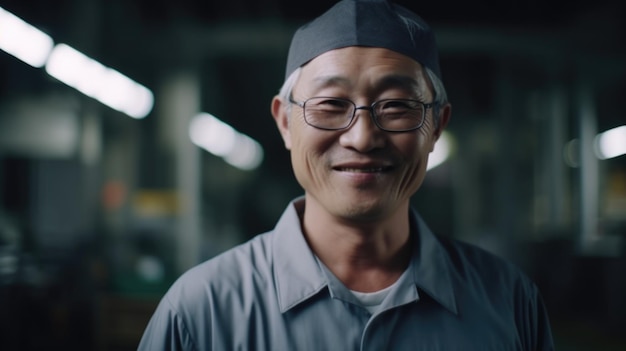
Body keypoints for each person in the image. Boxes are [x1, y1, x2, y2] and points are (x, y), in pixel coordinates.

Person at [138, 0, 554, 349]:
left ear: (436, 127)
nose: (362, 137)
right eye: (331, 105)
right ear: (285, 123)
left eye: (396, 106)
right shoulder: (200, 312)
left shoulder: (509, 303)